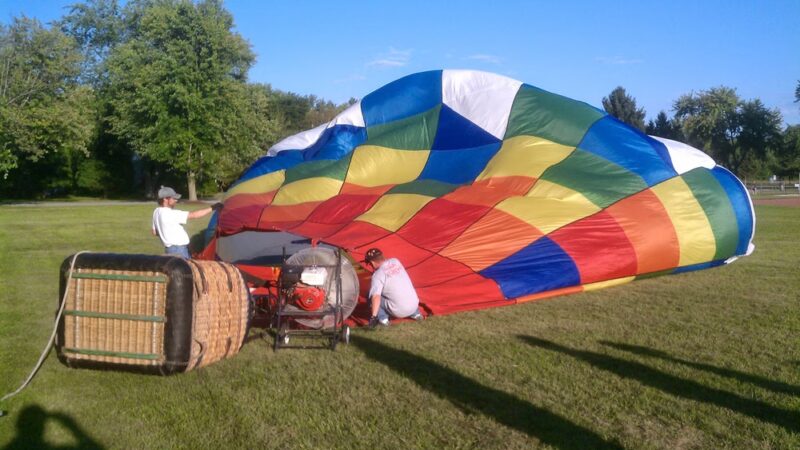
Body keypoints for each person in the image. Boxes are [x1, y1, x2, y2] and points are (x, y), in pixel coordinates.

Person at [151, 186, 218, 259]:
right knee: (185, 269)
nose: (176, 200)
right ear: (165, 199)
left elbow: (154, 232)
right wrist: (213, 207)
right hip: (179, 250)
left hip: (169, 249)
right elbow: (194, 215)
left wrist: (166, 232)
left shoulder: (156, 212)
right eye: (173, 198)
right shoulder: (170, 213)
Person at [364, 248, 424, 328]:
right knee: (402, 289)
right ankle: (416, 314)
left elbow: (375, 297)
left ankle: (383, 320)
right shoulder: (395, 261)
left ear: (372, 262)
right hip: (414, 305)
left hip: (399, 311)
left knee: (371, 294)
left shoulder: (377, 275)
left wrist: (373, 317)